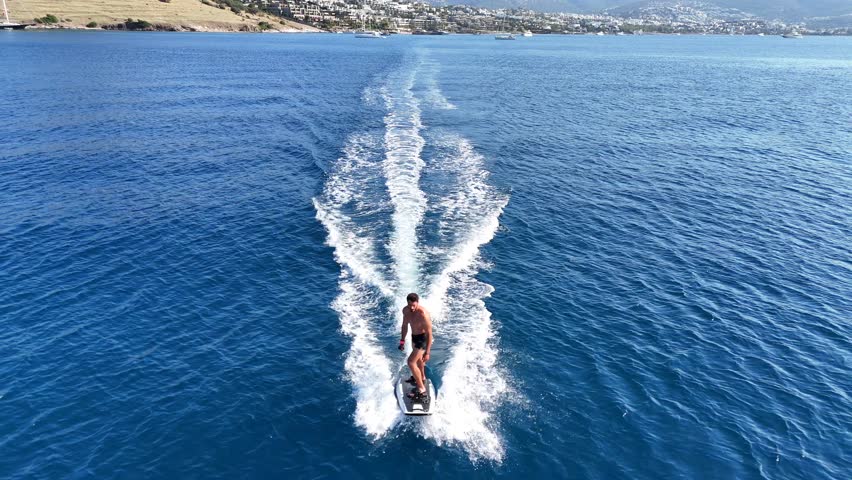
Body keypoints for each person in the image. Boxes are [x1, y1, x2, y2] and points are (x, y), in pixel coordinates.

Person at [398, 292, 432, 401]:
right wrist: (402, 341)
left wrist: (427, 352)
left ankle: (422, 390)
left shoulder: (423, 314)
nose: (412, 307)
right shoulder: (406, 311)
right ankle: (421, 377)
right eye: (409, 305)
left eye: (414, 305)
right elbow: (404, 326)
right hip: (414, 337)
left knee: (411, 362)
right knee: (418, 361)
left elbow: (429, 333)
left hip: (423, 339)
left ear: (418, 303)